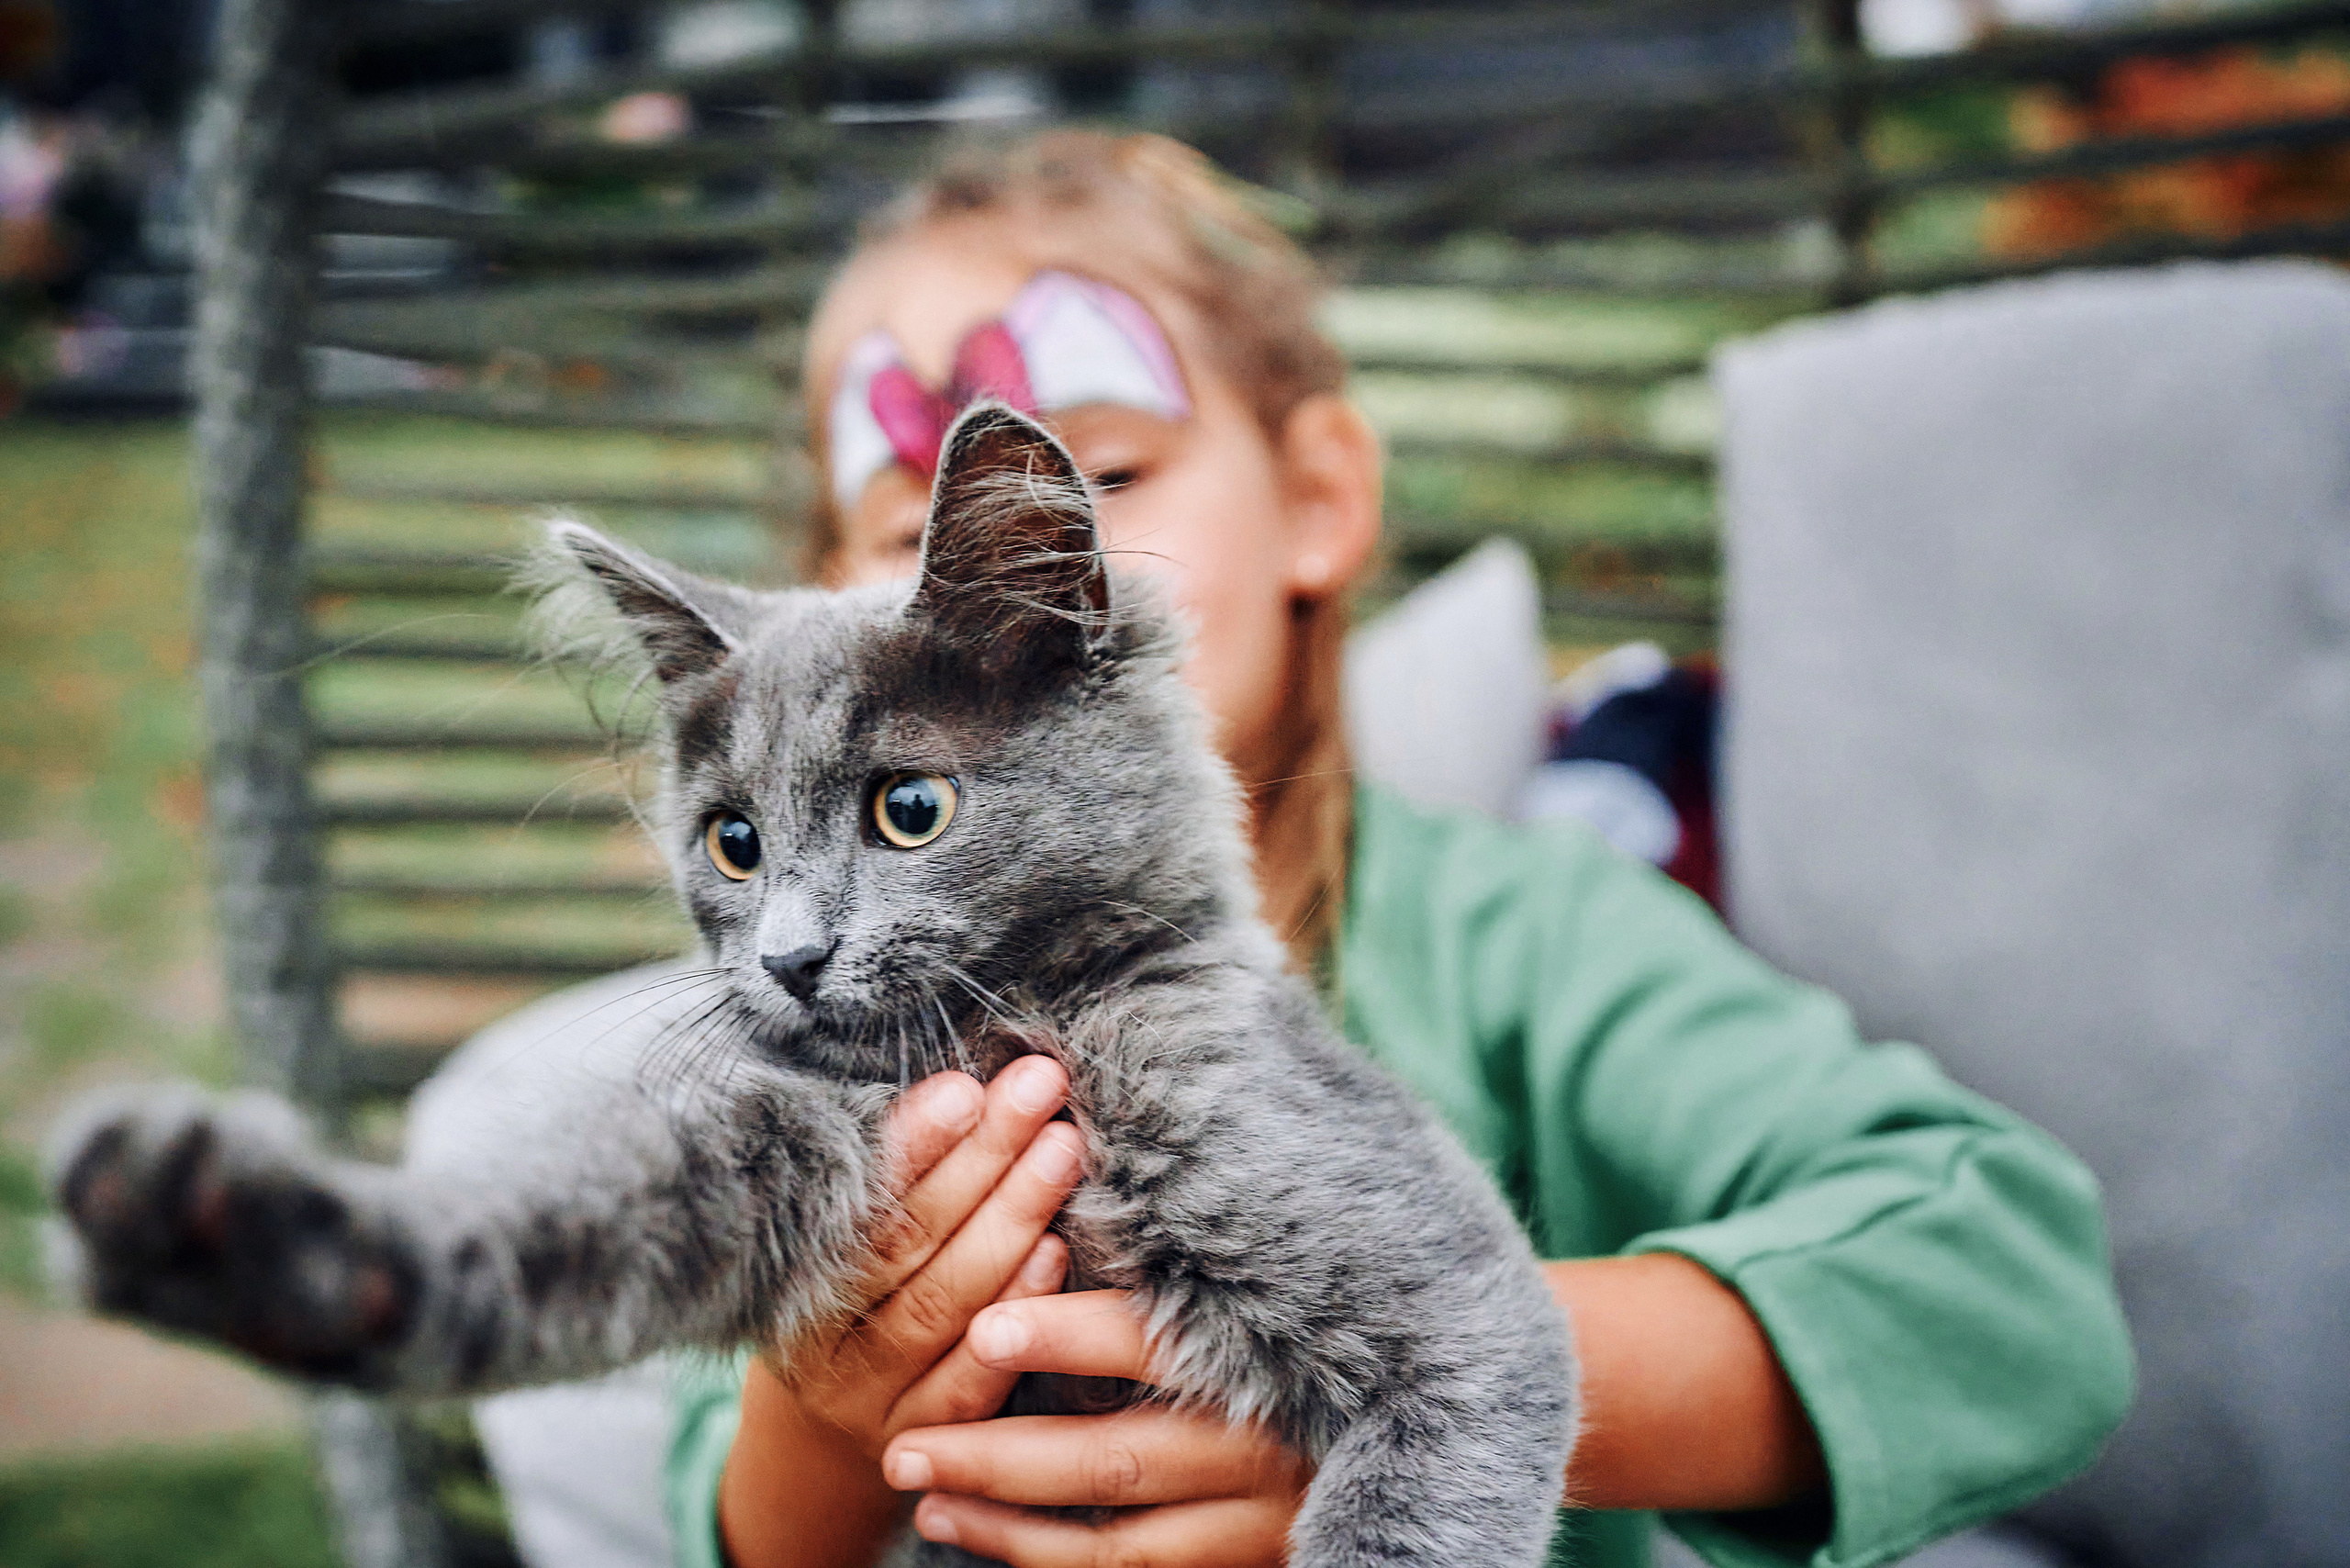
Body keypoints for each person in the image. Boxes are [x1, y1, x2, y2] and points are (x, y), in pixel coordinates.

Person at [663, 131, 2132, 1568]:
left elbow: (2012, 1284)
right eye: (897, 532)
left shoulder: (1524, 937)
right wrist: (822, 1409)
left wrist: (1430, 1377)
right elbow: (719, 1508)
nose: (973, 586)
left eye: (1095, 479)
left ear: (1321, 501)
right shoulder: (812, 1015)